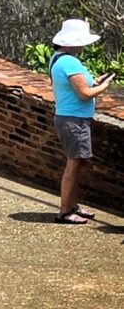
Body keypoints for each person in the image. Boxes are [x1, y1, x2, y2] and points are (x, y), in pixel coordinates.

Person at [49, 18, 114, 224]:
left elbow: (76, 86)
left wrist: (95, 82)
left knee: (77, 163)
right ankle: (65, 212)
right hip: (73, 119)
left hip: (70, 117)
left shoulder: (59, 58)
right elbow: (85, 94)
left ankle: (71, 205)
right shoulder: (70, 62)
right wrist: (104, 87)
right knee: (74, 164)